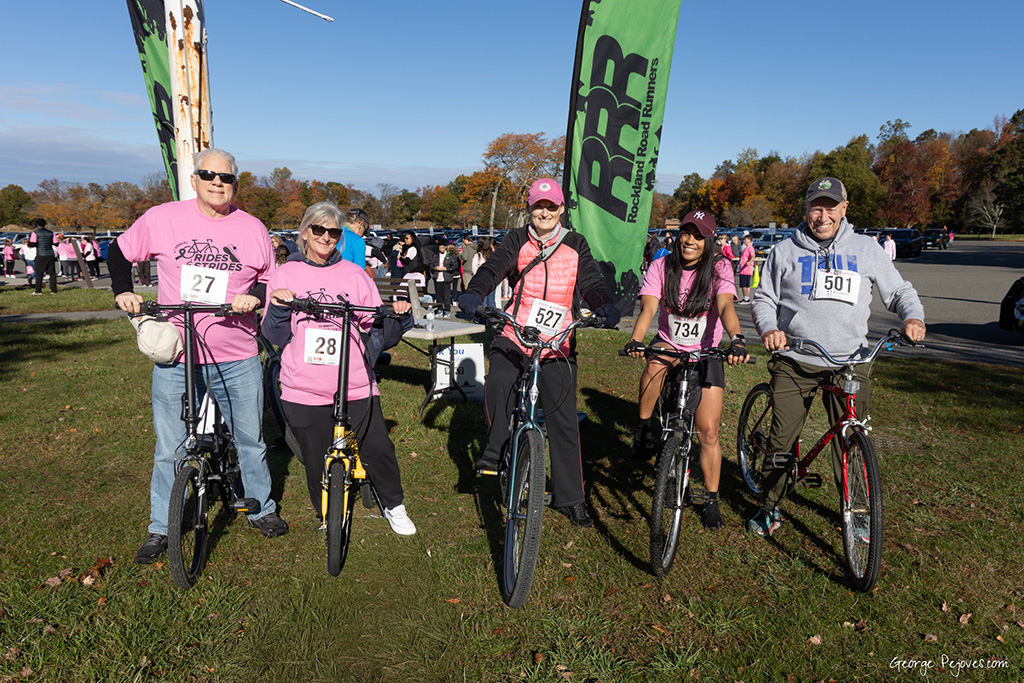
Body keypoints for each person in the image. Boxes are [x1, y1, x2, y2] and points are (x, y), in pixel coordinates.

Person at [108, 148, 288, 563]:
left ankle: (260, 508)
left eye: (226, 178)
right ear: (194, 179)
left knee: (250, 439)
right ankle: (161, 526)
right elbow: (118, 253)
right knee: (169, 445)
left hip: (235, 352)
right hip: (178, 353)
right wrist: (122, 290)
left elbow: (269, 281)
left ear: (235, 184)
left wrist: (253, 297)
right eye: (209, 175)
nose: (217, 183)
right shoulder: (162, 217)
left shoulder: (253, 228)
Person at [747, 176, 926, 536]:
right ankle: (771, 506)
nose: (823, 215)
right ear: (806, 209)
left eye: (831, 207)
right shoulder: (784, 251)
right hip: (796, 358)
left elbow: (899, 290)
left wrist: (913, 316)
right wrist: (769, 328)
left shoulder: (866, 249)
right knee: (782, 440)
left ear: (844, 208)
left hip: (851, 361)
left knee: (851, 440)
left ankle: (856, 511)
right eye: (816, 207)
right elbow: (763, 298)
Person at [458, 178, 621, 528]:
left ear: (561, 209)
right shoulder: (517, 240)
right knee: (499, 379)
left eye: (551, 205)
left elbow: (590, 282)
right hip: (516, 332)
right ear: (529, 209)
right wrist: (474, 293)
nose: (544, 211)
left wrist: (604, 305)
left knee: (563, 420)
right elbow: (492, 268)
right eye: (537, 206)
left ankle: (571, 498)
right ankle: (496, 450)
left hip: (558, 340)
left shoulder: (576, 243)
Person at [261, 203, 416, 535]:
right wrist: (276, 306)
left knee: (377, 447)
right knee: (315, 457)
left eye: (334, 232)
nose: (326, 237)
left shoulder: (354, 274)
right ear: (305, 232)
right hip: (303, 385)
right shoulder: (285, 273)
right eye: (319, 229)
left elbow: (374, 326)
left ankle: (393, 504)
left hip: (354, 382)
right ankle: (329, 513)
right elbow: (274, 335)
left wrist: (399, 313)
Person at [624, 211, 749, 529]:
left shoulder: (719, 266)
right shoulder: (662, 265)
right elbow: (649, 307)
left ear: (708, 240)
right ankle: (642, 430)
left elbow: (725, 306)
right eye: (685, 233)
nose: (689, 240)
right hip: (670, 343)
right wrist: (636, 339)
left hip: (706, 352)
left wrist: (737, 340)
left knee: (707, 431)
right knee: (653, 364)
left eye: (697, 235)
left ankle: (710, 499)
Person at [429, 239, 457, 317]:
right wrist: (435, 268)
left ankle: (447, 310)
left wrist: (447, 269)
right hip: (437, 277)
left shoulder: (450, 256)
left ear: (445, 247)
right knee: (438, 295)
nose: (441, 249)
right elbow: (430, 265)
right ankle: (439, 309)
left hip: (446, 278)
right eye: (440, 248)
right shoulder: (435, 255)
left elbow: (455, 266)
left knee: (446, 295)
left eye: (442, 248)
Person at [29, 218, 57, 295]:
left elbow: (32, 243)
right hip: (50, 254)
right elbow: (56, 243)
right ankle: (53, 290)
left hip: (41, 254)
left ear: (37, 225)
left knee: (39, 273)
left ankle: (38, 290)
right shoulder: (51, 233)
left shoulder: (35, 233)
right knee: (52, 273)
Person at [471, 237, 497, 308]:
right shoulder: (492, 255)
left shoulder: (478, 255)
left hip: (481, 280)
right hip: (491, 280)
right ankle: (492, 316)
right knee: (491, 301)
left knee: (483, 301)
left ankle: (482, 316)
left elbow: (474, 268)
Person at [737, 234, 755, 302]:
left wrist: (749, 262)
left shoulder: (750, 248)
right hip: (742, 268)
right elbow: (742, 257)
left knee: (745, 285)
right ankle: (746, 297)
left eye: (745, 240)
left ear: (749, 240)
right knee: (744, 284)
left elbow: (753, 256)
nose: (744, 241)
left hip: (746, 269)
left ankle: (746, 298)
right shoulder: (745, 248)